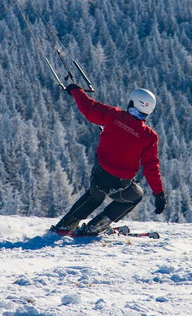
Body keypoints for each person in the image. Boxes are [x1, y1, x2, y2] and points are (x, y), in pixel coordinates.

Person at [52, 84, 166, 235]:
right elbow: (151, 166)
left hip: (99, 177)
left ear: (132, 103)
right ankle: (96, 226)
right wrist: (159, 193)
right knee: (135, 196)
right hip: (121, 185)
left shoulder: (114, 115)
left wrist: (76, 91)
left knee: (94, 196)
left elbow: (89, 108)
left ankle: (65, 226)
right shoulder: (149, 136)